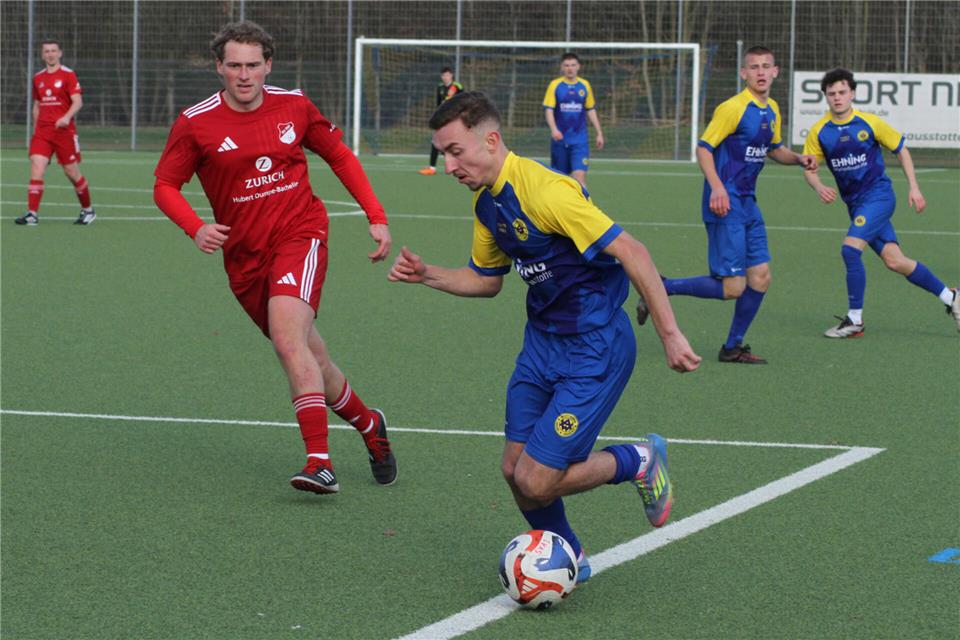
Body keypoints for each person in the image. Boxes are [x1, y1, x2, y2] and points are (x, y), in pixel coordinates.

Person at [389, 91, 700, 582]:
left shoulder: (548, 192)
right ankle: (571, 556)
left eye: (455, 151)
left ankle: (637, 460)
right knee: (513, 471)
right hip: (541, 345)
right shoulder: (487, 204)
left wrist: (671, 335)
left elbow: (633, 251)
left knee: (536, 480)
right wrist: (428, 275)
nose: (448, 166)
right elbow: (486, 280)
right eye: (443, 154)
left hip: (595, 345)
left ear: (491, 141)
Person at [153, 20, 397, 494]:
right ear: (219, 67)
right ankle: (370, 426)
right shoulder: (195, 122)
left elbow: (340, 156)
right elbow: (165, 186)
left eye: (253, 65)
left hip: (300, 235)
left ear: (268, 65)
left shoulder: (294, 105)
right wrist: (195, 226)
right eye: (234, 66)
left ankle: (319, 462)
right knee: (312, 358)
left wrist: (376, 214)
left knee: (288, 341)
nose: (244, 75)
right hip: (245, 260)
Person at [646, 46, 817, 364]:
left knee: (761, 277)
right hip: (725, 203)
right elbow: (704, 149)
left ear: (776, 71)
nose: (761, 72)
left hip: (748, 203)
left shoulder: (772, 109)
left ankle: (732, 347)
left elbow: (774, 148)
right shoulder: (732, 108)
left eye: (766, 66)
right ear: (743, 73)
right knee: (733, 287)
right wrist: (717, 188)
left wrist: (798, 158)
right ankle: (662, 287)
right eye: (754, 67)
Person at [802, 68, 959, 337]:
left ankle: (855, 319)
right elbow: (809, 167)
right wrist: (818, 186)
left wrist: (914, 187)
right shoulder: (819, 131)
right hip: (855, 205)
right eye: (831, 93)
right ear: (825, 97)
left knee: (850, 250)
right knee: (895, 261)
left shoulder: (870, 123)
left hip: (879, 197)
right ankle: (951, 297)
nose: (837, 97)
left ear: (852, 93)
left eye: (842, 92)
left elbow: (901, 149)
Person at [16, 38, 95, 226]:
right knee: (37, 167)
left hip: (64, 132)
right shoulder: (38, 78)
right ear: (42, 55)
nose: (50, 54)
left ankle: (88, 210)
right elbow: (37, 105)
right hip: (43, 132)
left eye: (53, 51)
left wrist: (66, 117)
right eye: (47, 51)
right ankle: (32, 214)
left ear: (59, 53)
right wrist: (36, 130)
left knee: (71, 172)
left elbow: (78, 101)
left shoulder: (68, 75)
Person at [542, 52, 604, 189]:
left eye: (573, 65)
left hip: (579, 141)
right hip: (560, 140)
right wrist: (554, 129)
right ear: (562, 67)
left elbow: (590, 109)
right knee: (560, 181)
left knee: (579, 178)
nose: (570, 68)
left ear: (578, 66)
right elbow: (549, 110)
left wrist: (599, 132)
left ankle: (583, 202)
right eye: (567, 65)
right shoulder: (555, 85)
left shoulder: (584, 85)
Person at [418, 67, 463, 175]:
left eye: (447, 75)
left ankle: (461, 165)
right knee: (436, 141)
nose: (445, 77)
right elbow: (438, 104)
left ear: (451, 75)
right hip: (443, 119)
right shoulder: (440, 87)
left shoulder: (457, 87)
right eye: (443, 75)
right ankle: (432, 168)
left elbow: (463, 102)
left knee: (454, 143)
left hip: (454, 119)